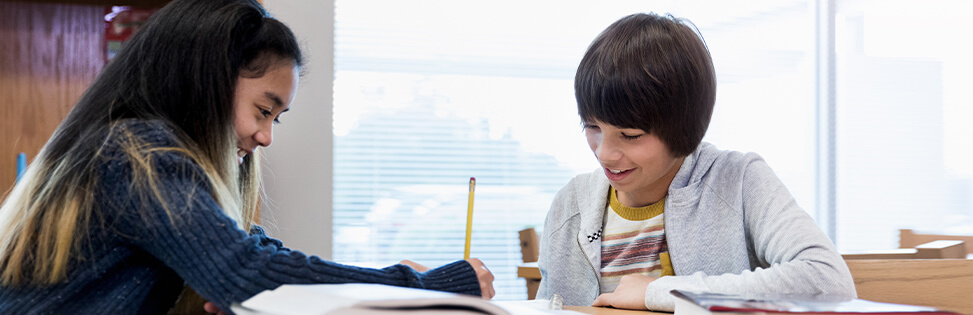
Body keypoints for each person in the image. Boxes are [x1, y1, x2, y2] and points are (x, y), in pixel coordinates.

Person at [0, 0, 492, 313]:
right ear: (205, 82)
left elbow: (259, 257)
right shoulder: (136, 155)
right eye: (263, 110)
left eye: (276, 118)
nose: (266, 137)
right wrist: (423, 287)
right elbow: (247, 272)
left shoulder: (133, 151)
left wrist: (403, 285)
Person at [535, 13, 856, 312]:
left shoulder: (739, 181)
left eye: (630, 135)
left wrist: (660, 292)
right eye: (592, 127)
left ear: (684, 128)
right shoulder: (571, 204)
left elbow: (828, 281)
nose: (604, 153)